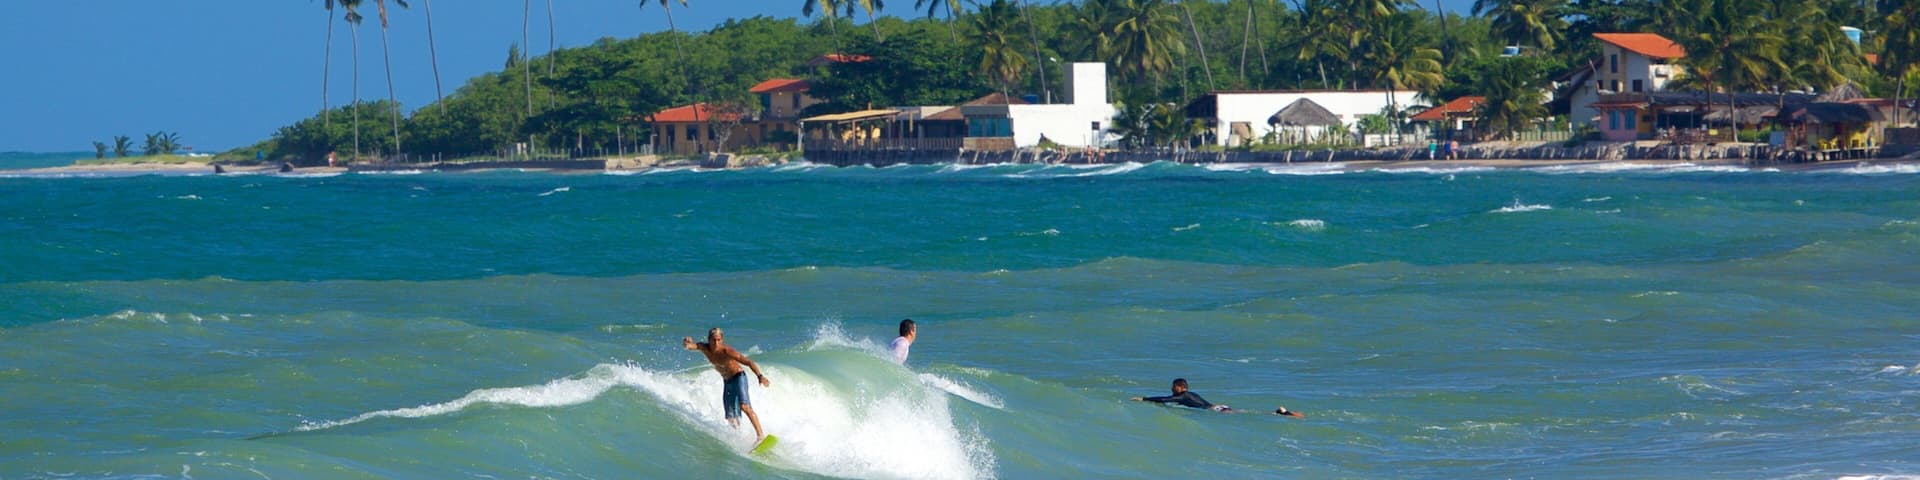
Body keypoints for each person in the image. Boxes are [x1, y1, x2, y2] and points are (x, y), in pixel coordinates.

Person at [683, 328, 772, 441]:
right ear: (709, 340)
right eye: (714, 340)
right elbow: (690, 347)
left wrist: (760, 376)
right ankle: (739, 437)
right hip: (727, 382)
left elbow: (749, 362)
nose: (716, 343)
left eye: (719, 340)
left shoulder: (727, 351)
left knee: (744, 406)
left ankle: (760, 436)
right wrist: (686, 342)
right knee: (730, 416)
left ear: (722, 340)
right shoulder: (704, 348)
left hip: (739, 377)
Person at [1130, 378, 1302, 417]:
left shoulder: (1182, 396)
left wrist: (1144, 399)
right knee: (1245, 411)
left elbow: (1165, 399)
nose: (1171, 389)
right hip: (1217, 406)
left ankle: (1281, 414)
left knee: (1248, 413)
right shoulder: (1190, 394)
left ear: (1181, 387)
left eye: (1174, 386)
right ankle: (1280, 413)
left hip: (1214, 410)